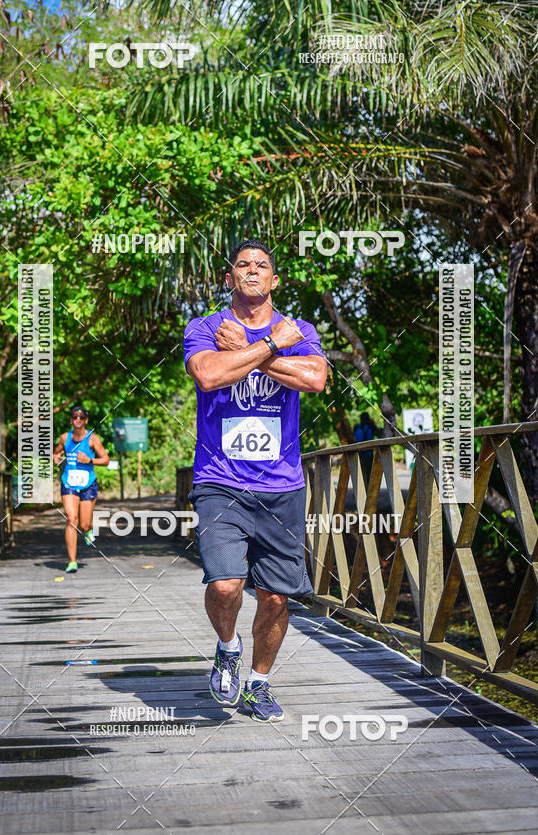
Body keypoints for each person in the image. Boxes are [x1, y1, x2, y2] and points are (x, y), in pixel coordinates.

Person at [184, 239, 327, 722]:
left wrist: (250, 351)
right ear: (229, 279)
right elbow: (207, 375)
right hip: (219, 480)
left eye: (261, 265)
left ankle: (258, 684)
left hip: (281, 484)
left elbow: (314, 379)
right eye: (242, 265)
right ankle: (227, 647)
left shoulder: (298, 329)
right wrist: (268, 347)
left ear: (274, 279)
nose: (251, 270)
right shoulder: (205, 327)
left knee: (276, 595)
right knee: (226, 585)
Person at [53, 406, 109, 573]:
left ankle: (88, 529)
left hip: (87, 484)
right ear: (71, 420)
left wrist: (89, 460)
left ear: (86, 420)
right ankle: (72, 561)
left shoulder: (93, 439)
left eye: (81, 416)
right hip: (69, 483)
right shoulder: (64, 438)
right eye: (75, 416)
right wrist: (56, 458)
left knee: (84, 524)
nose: (78, 419)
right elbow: (56, 453)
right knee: (71, 519)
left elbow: (105, 459)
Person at [353, 411, 379, 486]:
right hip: (368, 453)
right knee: (369, 472)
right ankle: (367, 488)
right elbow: (377, 433)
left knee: (360, 472)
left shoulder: (356, 427)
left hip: (358, 453)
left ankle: (361, 488)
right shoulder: (370, 426)